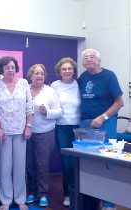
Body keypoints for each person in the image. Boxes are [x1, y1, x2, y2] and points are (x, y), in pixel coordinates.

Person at [78, 49, 124, 210]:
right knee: (89, 164)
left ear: (99, 60)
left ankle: (109, 204)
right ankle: (92, 202)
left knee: (107, 163)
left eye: (92, 57)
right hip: (86, 125)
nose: (89, 60)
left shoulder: (109, 76)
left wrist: (102, 117)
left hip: (106, 124)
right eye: (86, 58)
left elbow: (120, 103)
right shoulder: (83, 77)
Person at [0, 56, 33, 210]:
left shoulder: (23, 84)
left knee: (20, 166)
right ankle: (6, 201)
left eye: (13, 67)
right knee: (5, 167)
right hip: (4, 133)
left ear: (16, 68)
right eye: (7, 67)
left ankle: (20, 199)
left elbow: (29, 107)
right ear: (2, 69)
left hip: (21, 131)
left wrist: (28, 126)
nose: (10, 70)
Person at [25, 64, 62, 207]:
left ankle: (43, 194)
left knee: (42, 165)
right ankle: (31, 192)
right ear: (30, 75)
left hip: (45, 132)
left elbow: (59, 111)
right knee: (29, 164)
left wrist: (47, 112)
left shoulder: (50, 92)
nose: (39, 76)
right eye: (36, 73)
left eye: (42, 73)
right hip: (26, 132)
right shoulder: (25, 89)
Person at [51, 57, 80, 207]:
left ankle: (80, 193)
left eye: (70, 68)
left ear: (73, 70)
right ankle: (68, 194)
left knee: (78, 162)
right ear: (59, 71)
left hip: (78, 128)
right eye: (64, 69)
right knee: (67, 162)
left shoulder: (79, 85)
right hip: (61, 127)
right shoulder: (55, 86)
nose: (67, 71)